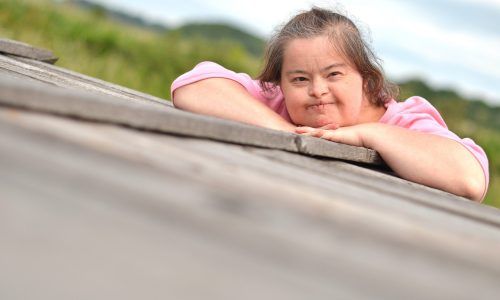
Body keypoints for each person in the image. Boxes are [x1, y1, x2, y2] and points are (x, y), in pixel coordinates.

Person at [170, 7, 489, 202]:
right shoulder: (280, 102)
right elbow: (193, 86)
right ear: (280, 82)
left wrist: (368, 135)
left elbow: (469, 179)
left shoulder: (405, 119)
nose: (316, 90)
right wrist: (285, 129)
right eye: (299, 79)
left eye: (333, 74)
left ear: (365, 77)